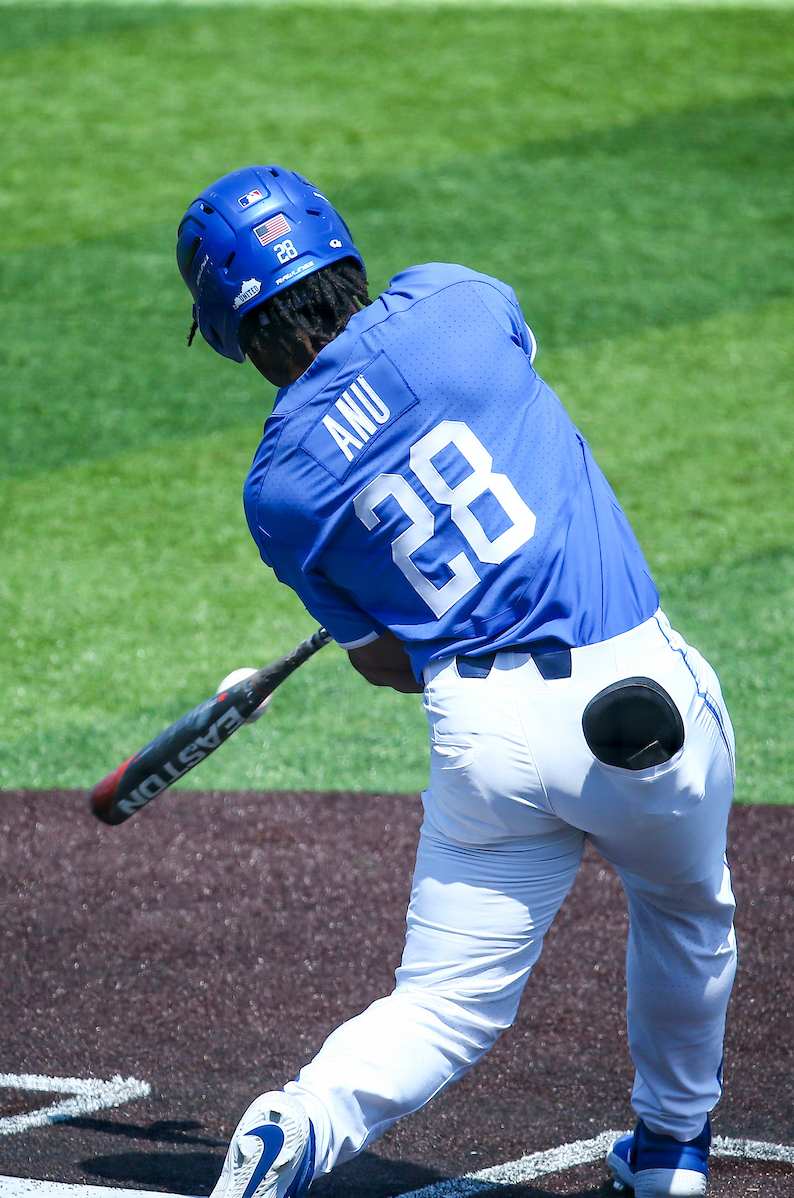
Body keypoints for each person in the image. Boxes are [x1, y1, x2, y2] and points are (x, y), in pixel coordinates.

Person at [177, 165, 737, 1198]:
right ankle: (668, 1155)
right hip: (634, 702)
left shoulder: (279, 492)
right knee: (685, 910)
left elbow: (389, 660)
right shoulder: (453, 301)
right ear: (339, 254)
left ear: (230, 330)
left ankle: (294, 1126)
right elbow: (500, 394)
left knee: (441, 1003)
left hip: (485, 738)